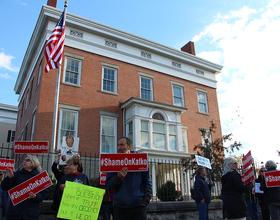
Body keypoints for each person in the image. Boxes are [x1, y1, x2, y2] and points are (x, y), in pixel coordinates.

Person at [106, 137, 152, 220]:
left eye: (122, 145)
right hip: (120, 208)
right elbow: (108, 185)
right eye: (118, 145)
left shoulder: (140, 160)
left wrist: (145, 201)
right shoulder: (113, 162)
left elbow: (147, 181)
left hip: (138, 207)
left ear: (129, 147)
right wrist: (118, 177)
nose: (119, 147)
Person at [1, 155, 49, 220]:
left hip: (31, 214)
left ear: (33, 162)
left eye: (27, 160)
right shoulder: (17, 174)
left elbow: (45, 194)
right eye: (24, 160)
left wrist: (36, 196)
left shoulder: (39, 177)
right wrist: (9, 179)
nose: (24, 162)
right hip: (15, 213)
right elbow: (4, 187)